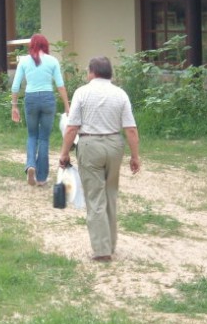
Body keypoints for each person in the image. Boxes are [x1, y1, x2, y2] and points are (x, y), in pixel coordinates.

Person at [59, 56, 140, 262]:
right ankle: (111, 243)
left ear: (92, 72)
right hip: (114, 144)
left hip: (90, 145)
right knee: (110, 193)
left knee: (95, 197)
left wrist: (64, 153)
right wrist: (135, 156)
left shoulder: (82, 93)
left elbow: (72, 127)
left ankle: (102, 249)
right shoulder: (120, 94)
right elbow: (130, 129)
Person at [11, 34, 70, 186]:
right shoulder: (53, 61)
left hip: (30, 99)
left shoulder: (24, 61)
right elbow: (60, 85)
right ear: (46, 45)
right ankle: (42, 178)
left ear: (32, 45)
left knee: (32, 135)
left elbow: (15, 85)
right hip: (48, 99)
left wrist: (14, 106)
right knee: (44, 138)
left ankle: (31, 164)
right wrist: (67, 105)